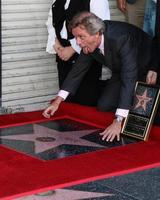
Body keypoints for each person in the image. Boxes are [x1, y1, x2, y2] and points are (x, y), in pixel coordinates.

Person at [43, 11, 158, 142]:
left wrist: (118, 121)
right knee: (104, 105)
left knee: (143, 111)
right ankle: (127, 109)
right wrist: (57, 101)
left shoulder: (121, 38)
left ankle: (131, 115)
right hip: (121, 69)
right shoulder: (89, 44)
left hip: (148, 66)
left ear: (97, 34)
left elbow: (129, 77)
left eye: (81, 37)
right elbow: (77, 71)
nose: (78, 42)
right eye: (76, 37)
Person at [46, 0, 110, 105]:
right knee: (67, 97)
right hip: (62, 52)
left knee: (87, 98)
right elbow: (51, 21)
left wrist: (72, 49)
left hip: (88, 54)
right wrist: (57, 45)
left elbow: (99, 27)